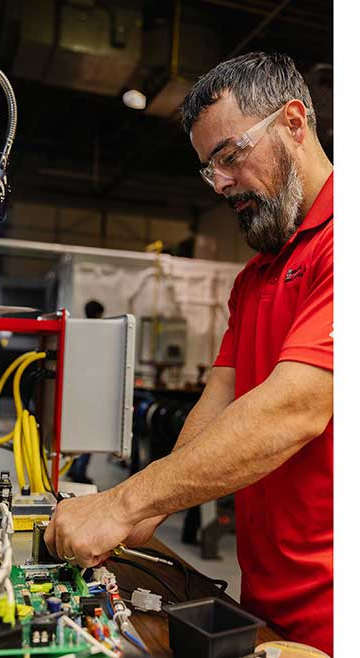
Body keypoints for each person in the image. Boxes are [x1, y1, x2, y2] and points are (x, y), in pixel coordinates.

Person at [45, 53, 333, 655]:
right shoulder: (253, 278)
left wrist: (125, 501)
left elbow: (298, 407)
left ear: (294, 122)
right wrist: (146, 508)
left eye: (230, 156)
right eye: (209, 169)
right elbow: (219, 400)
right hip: (267, 605)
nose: (221, 182)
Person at [67, 300, 105, 484]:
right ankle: (79, 472)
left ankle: (75, 469)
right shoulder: (99, 334)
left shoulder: (78, 331)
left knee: (79, 433)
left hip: (78, 390)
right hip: (92, 392)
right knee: (88, 436)